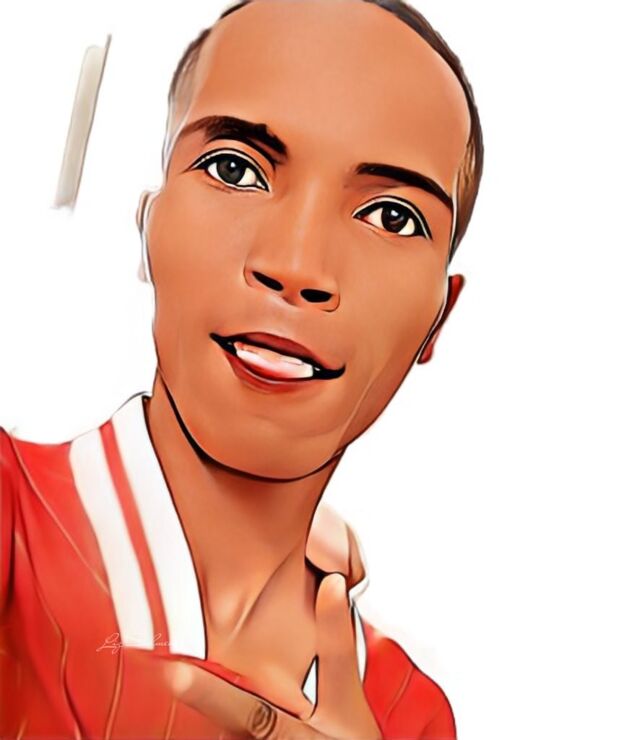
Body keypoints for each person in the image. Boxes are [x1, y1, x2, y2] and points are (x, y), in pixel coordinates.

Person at [0, 0, 483, 736]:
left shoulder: (406, 715)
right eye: (235, 169)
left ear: (438, 318)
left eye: (392, 217)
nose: (296, 266)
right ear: (148, 228)